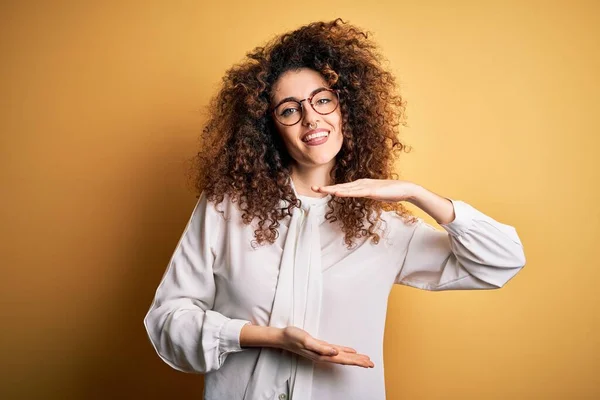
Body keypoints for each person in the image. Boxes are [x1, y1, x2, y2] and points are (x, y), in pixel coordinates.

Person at [143, 18, 526, 400]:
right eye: (289, 110)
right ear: (268, 127)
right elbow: (167, 322)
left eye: (323, 100)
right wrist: (269, 337)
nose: (311, 117)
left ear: (347, 110)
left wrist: (417, 194)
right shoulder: (226, 207)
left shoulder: (382, 224)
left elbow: (502, 260)